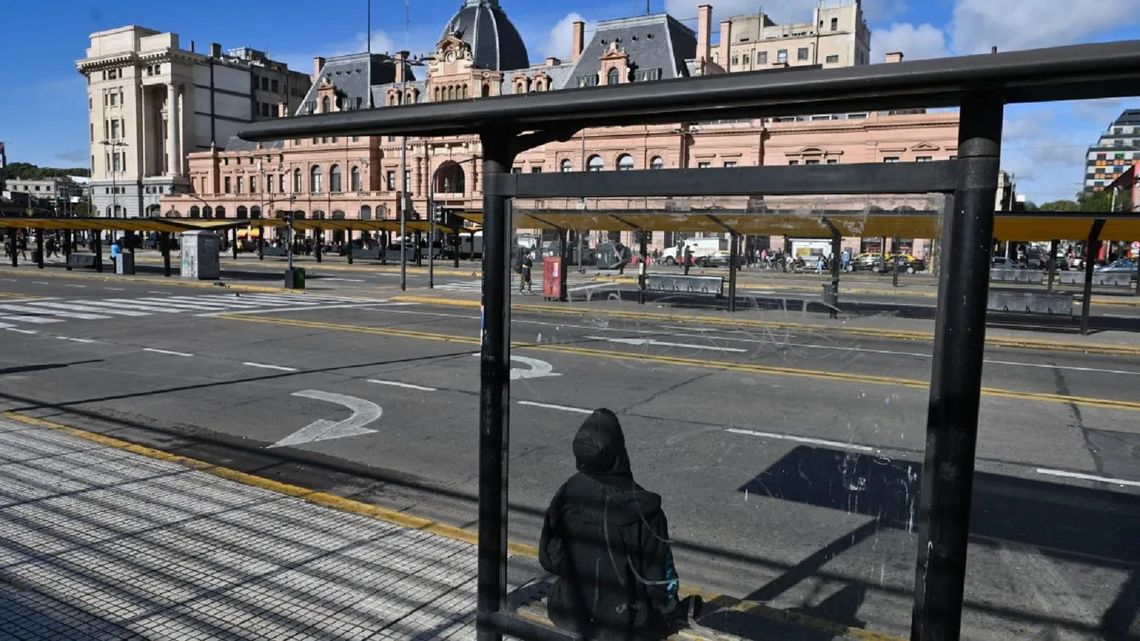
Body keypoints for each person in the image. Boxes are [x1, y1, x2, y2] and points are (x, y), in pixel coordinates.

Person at [540, 409, 699, 641]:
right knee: (688, 606)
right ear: (619, 452)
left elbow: (548, 560)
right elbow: (661, 584)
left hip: (568, 613)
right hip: (626, 625)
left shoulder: (567, 495)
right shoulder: (646, 510)